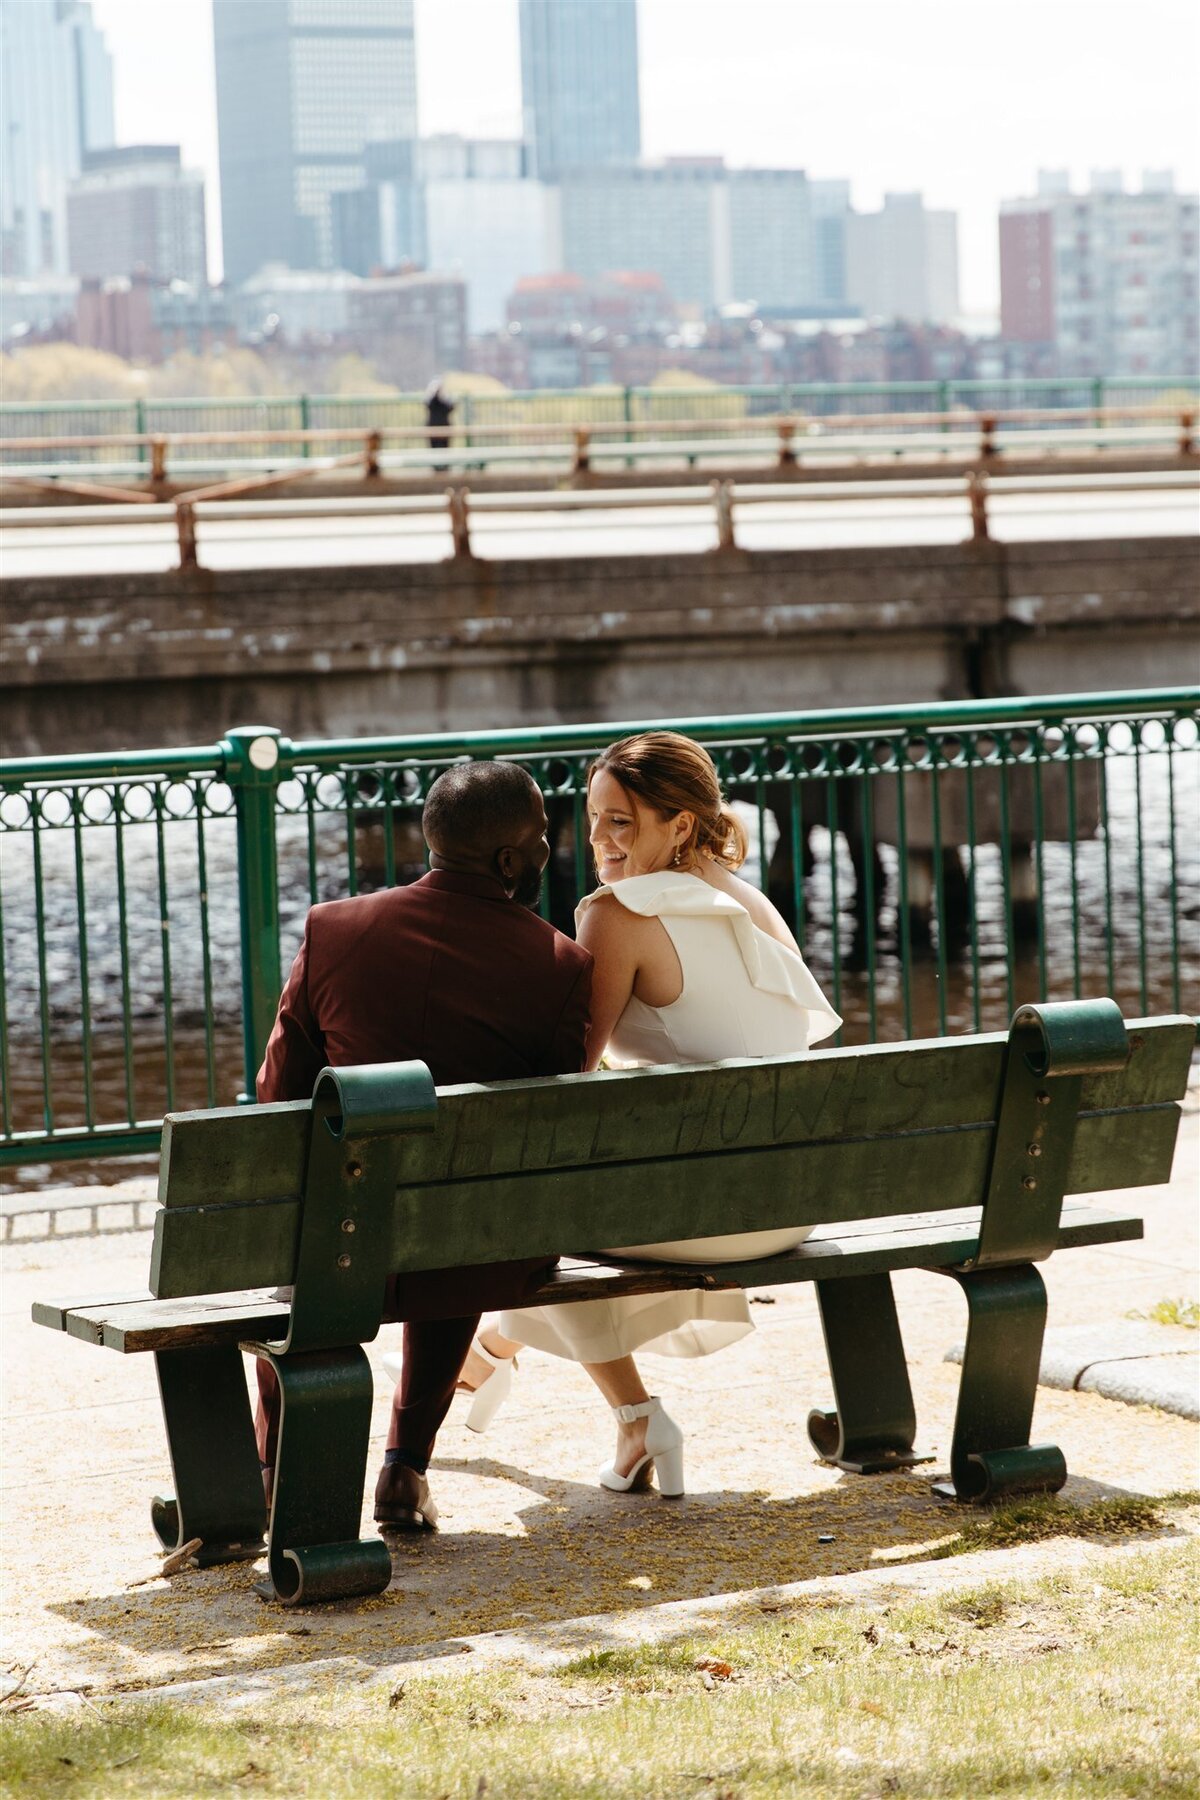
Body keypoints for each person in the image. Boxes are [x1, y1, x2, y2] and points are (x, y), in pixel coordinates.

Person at [456, 731, 841, 1500]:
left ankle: (628, 1414)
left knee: (528, 1200)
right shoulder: (751, 902)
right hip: (795, 1202)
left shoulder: (618, 912)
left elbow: (566, 1075)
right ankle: (493, 1347)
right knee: (623, 1184)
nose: (596, 841)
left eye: (621, 823)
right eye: (592, 820)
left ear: (682, 826)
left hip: (707, 1209)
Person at [253, 760, 592, 1534]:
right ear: (510, 861)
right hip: (483, 1245)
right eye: (540, 838)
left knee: (325, 1240)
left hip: (338, 1245)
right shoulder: (561, 967)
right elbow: (547, 1126)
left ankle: (272, 1473)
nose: (548, 850)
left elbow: (278, 1096)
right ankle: (405, 1468)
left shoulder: (334, 931)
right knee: (463, 1221)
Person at [424, 379, 455, 452]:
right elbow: (429, 404)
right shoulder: (433, 400)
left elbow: (451, 407)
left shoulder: (444, 400)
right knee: (434, 450)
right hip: (433, 428)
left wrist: (443, 397)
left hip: (444, 429)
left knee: (445, 450)